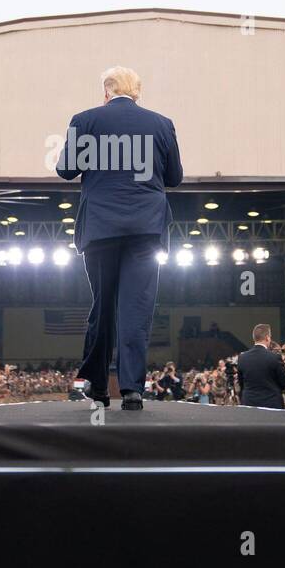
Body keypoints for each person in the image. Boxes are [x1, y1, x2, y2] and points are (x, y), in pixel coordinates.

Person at [56, 65, 182, 411]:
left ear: (106, 92)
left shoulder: (85, 120)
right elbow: (174, 176)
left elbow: (66, 169)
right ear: (137, 92)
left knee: (104, 305)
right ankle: (132, 390)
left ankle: (98, 387)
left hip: (100, 228)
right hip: (145, 228)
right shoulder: (161, 123)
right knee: (136, 308)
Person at [236, 324, 285, 410]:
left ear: (254, 338)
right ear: (267, 338)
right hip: (271, 405)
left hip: (249, 404)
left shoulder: (242, 358)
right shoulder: (274, 357)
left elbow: (241, 383)